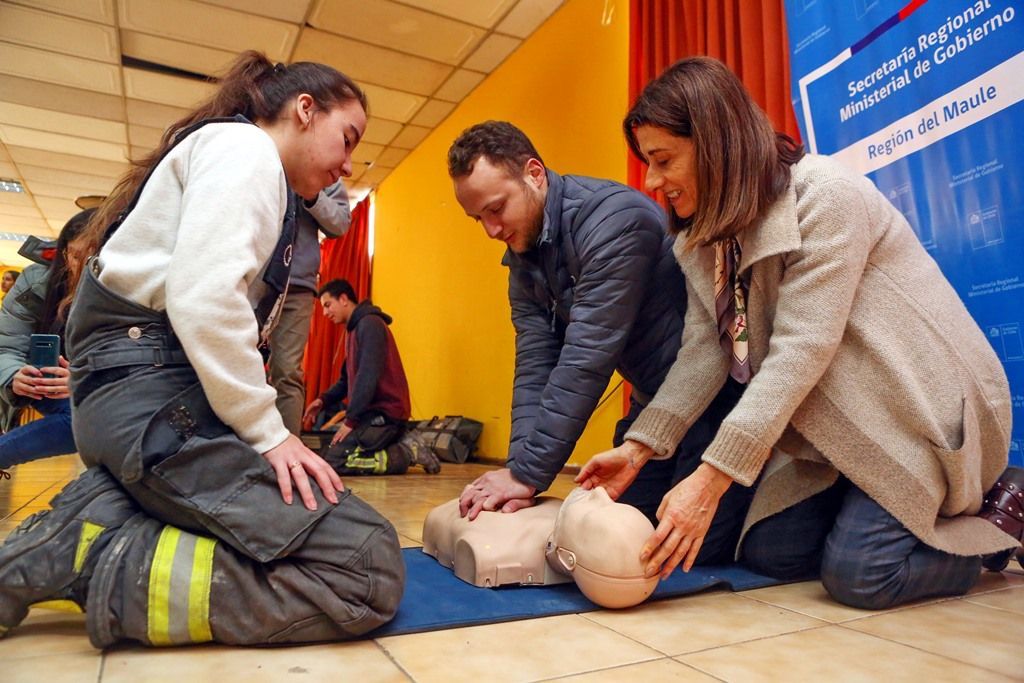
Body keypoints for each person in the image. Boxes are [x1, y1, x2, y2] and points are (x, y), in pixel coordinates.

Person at [577, 56, 1019, 609]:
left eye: (663, 160)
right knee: (769, 552)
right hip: (839, 432)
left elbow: (799, 352)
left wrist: (710, 481)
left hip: (909, 417)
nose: (651, 181)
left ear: (716, 143)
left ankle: (990, 529)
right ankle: (880, 511)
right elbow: (705, 352)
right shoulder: (706, 242)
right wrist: (639, 449)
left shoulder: (826, 195)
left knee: (861, 577)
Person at [0, 51, 403, 648]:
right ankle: (94, 563)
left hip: (145, 406)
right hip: (153, 408)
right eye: (347, 139)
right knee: (366, 566)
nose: (347, 165)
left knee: (307, 526)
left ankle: (99, 517)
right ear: (304, 110)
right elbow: (205, 298)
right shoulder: (248, 154)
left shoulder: (237, 156)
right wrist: (269, 433)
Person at [448, 121, 746, 565]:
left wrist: (529, 474)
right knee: (619, 535)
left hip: (712, 401)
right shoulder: (523, 261)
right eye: (479, 219)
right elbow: (536, 364)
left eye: (496, 209)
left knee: (691, 551)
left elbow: (587, 357)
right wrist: (520, 472)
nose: (491, 230)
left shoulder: (613, 219)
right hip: (653, 409)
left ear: (534, 174)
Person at [302, 279, 440, 475]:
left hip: (385, 415)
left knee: (335, 462)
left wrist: (350, 421)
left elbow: (367, 377)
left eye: (327, 305)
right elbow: (346, 381)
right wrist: (322, 401)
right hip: (369, 415)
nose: (324, 313)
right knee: (326, 453)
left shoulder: (370, 325)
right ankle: (401, 442)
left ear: (343, 299)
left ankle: (406, 453)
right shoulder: (354, 329)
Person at [0, 210, 92, 473]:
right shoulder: (34, 281)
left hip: (93, 384)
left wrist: (82, 378)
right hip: (36, 376)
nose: (84, 264)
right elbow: (6, 343)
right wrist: (13, 375)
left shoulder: (126, 286)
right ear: (64, 253)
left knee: (86, 420)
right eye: (76, 255)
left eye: (95, 254)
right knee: (80, 421)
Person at [269, 180, 352, 436]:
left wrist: (313, 194)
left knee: (287, 372)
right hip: (253, 276)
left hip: (297, 285)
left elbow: (340, 224)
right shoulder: (261, 155)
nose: (347, 165)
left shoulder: (327, 176)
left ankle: (288, 452)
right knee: (234, 364)